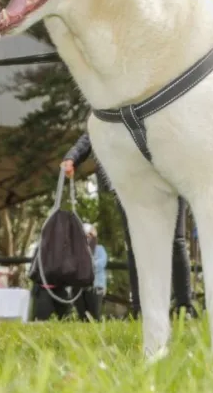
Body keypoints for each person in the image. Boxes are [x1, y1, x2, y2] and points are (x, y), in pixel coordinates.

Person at [61, 131, 197, 318]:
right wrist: (73, 157)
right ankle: (140, 308)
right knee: (136, 244)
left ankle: (184, 306)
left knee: (175, 241)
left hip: (169, 176)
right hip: (133, 182)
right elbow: (94, 129)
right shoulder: (116, 103)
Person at [75, 223, 108, 321]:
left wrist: (86, 266)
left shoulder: (100, 249)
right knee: (82, 316)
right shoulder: (76, 250)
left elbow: (101, 264)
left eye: (89, 236)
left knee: (94, 316)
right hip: (79, 288)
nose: (87, 238)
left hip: (95, 287)